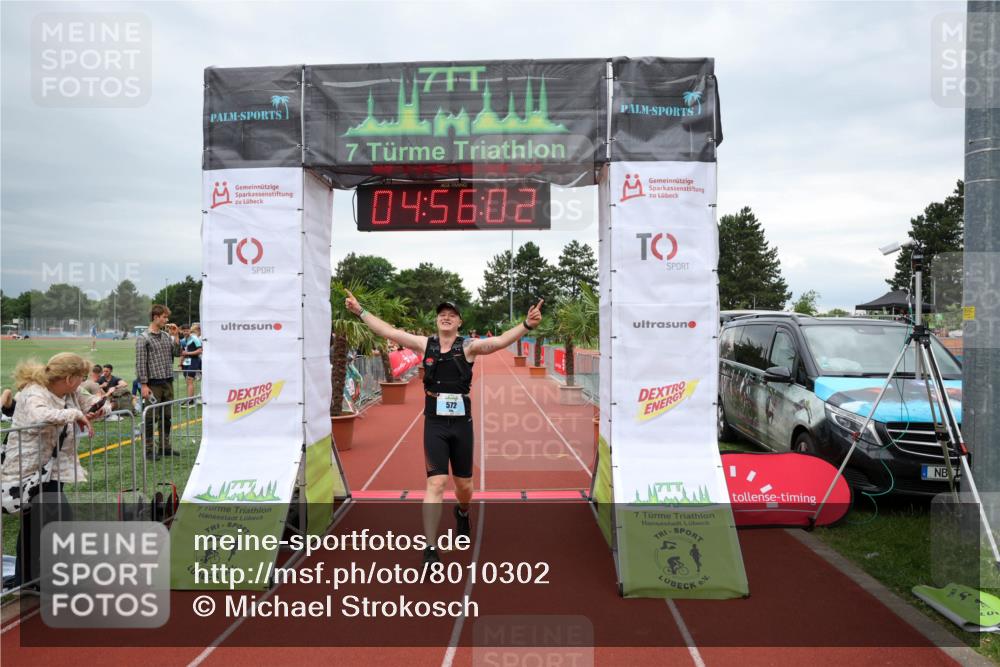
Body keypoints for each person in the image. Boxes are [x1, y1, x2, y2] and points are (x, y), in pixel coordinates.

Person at [344, 290, 543, 566]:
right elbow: (389, 331)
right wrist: (360, 311)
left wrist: (526, 325)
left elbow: (497, 342)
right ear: (436, 321)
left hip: (461, 423)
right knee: (436, 483)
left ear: (459, 322)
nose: (446, 318)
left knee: (464, 486)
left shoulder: (469, 347)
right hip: (434, 420)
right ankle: (430, 548)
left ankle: (462, 512)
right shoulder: (425, 344)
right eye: (442, 315)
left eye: (451, 315)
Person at [1, 353, 108, 585]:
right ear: (69, 377)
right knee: (54, 519)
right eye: (81, 377)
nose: (83, 381)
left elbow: (90, 402)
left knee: (36, 522)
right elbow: (41, 415)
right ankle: (36, 577)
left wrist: (101, 408)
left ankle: (28, 578)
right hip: (28, 468)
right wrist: (76, 414)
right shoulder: (34, 391)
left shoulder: (71, 391)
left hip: (54, 467)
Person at [135, 305, 181, 459]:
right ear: (156, 317)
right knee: (150, 418)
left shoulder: (166, 336)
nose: (167, 320)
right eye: (164, 317)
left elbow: (177, 353)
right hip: (153, 384)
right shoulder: (144, 338)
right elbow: (141, 363)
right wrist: (143, 385)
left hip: (167, 381)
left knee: (166, 417)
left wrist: (175, 336)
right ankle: (149, 450)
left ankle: (164, 447)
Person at [180, 323, 203, 406]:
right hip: (186, 361)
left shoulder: (194, 338)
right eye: (184, 331)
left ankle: (190, 401)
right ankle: (190, 399)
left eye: (187, 331)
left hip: (194, 360)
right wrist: (180, 363)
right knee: (187, 380)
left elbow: (200, 350)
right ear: (181, 331)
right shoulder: (182, 340)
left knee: (190, 379)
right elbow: (182, 353)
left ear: (190, 330)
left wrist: (188, 353)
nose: (186, 332)